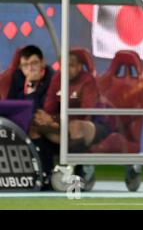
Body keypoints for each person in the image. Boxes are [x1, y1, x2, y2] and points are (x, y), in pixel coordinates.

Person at [32, 52, 111, 185]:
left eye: (71, 66)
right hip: (63, 123)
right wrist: (47, 118)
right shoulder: (57, 79)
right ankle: (45, 172)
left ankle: (80, 172)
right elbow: (48, 107)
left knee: (75, 126)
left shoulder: (87, 80)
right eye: (64, 66)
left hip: (93, 125)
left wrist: (54, 120)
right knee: (35, 125)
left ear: (79, 67)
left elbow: (85, 113)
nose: (67, 69)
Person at [7, 45, 55, 189]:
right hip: (21, 122)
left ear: (42, 62)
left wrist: (31, 89)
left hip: (48, 123)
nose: (30, 68)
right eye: (25, 65)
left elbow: (42, 110)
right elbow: (11, 103)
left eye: (34, 63)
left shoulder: (52, 78)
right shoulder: (17, 77)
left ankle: (44, 175)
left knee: (36, 124)